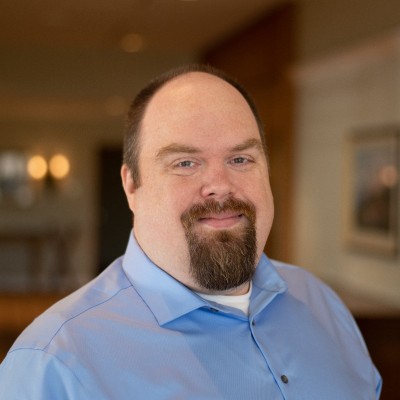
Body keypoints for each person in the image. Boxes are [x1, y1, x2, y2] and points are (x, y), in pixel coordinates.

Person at [0, 64, 381, 399]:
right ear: (131, 186)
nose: (220, 185)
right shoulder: (53, 363)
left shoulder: (322, 305)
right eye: (185, 162)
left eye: (240, 159)